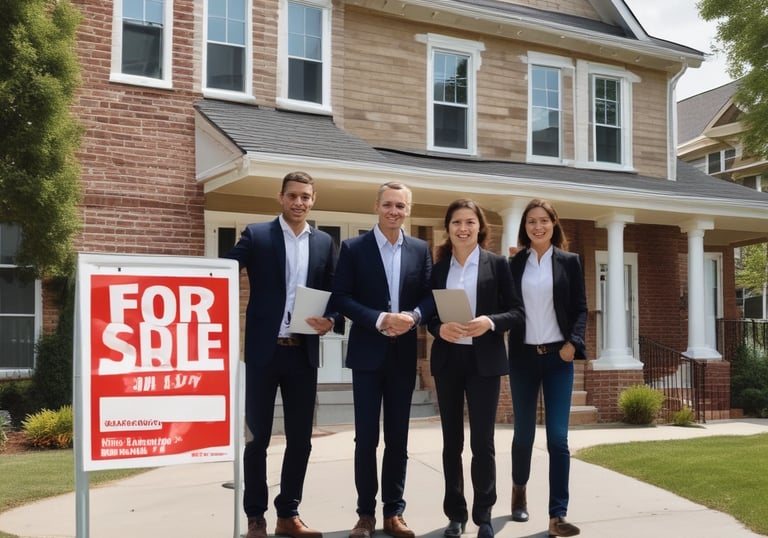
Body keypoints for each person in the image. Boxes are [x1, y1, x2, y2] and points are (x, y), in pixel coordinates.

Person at [223, 171, 343, 538]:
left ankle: (288, 514)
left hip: (301, 354)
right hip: (263, 352)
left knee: (300, 440)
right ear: (281, 197)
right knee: (257, 438)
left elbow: (337, 293)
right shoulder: (257, 235)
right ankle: (255, 517)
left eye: (306, 196)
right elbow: (224, 271)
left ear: (313, 199)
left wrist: (332, 320)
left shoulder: (324, 242)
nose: (299, 202)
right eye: (293, 196)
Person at [331, 181, 434, 538]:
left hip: (403, 356)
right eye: (388, 204)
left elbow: (429, 296)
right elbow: (341, 297)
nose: (394, 211)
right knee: (366, 439)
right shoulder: (354, 248)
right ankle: (365, 515)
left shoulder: (420, 250)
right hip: (367, 355)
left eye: (401, 206)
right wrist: (379, 319)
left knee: (398, 438)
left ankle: (394, 512)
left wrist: (414, 316)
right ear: (376, 206)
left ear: (408, 210)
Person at [428, 199, 524, 538]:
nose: (463, 228)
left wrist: (490, 322)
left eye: (469, 222)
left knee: (482, 442)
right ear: (448, 228)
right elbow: (429, 314)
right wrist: (438, 328)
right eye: (456, 222)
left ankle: (484, 515)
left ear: (480, 227)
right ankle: (456, 514)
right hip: (449, 360)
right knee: (451, 442)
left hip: (484, 362)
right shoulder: (438, 268)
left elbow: (516, 312)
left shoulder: (498, 265)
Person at [507, 198, 587, 538]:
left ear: (554, 224)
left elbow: (581, 308)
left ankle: (557, 515)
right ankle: (519, 489)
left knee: (557, 437)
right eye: (531, 222)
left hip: (558, 358)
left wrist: (573, 344)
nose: (537, 227)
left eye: (543, 220)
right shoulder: (514, 264)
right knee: (524, 435)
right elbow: (504, 306)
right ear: (524, 228)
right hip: (523, 358)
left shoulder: (570, 262)